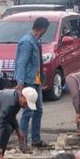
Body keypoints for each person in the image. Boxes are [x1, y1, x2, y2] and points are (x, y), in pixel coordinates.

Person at [14, 16, 50, 149]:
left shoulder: (36, 41)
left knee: (38, 110)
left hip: (36, 81)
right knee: (28, 112)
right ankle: (22, 142)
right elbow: (22, 62)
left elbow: (37, 62)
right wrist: (20, 82)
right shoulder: (27, 42)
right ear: (43, 29)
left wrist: (42, 76)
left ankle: (36, 140)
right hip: (28, 82)